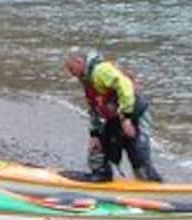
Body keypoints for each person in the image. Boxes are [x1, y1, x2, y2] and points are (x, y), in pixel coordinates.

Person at [64, 49, 163, 182]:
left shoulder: (101, 70)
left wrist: (126, 117)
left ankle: (152, 187)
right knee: (99, 147)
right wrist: (95, 134)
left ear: (79, 62)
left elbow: (125, 86)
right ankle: (101, 175)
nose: (70, 73)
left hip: (134, 114)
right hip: (116, 117)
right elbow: (94, 108)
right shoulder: (86, 79)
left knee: (138, 153)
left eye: (71, 68)